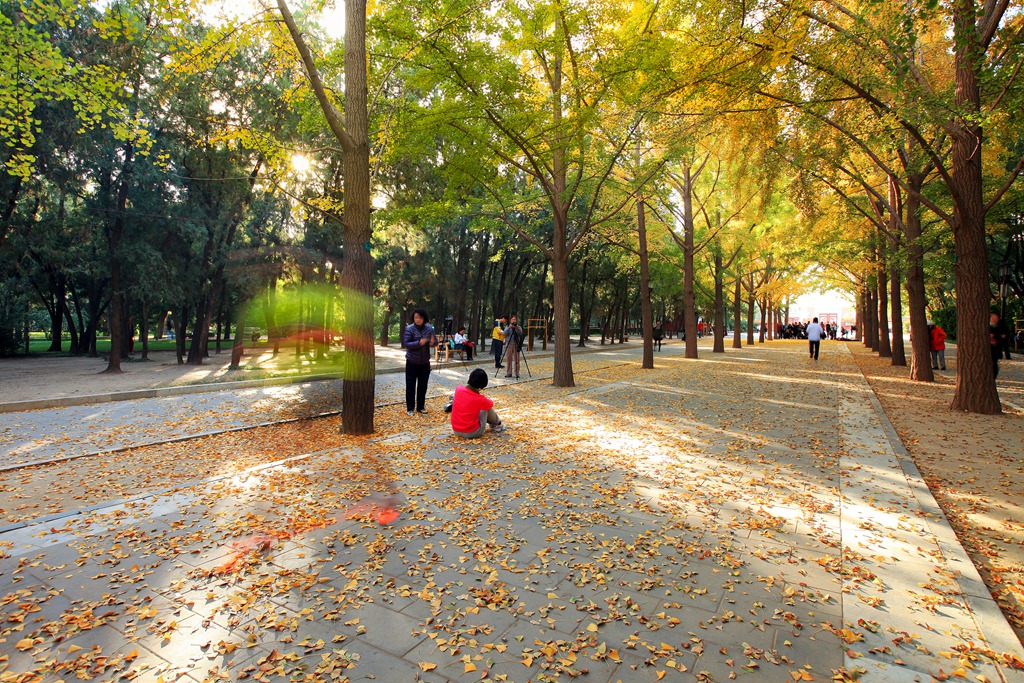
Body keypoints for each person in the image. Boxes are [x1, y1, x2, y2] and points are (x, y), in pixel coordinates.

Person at [451, 369, 505, 438]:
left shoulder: (458, 389)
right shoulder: (479, 399)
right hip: (472, 432)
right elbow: (490, 404)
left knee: (479, 406)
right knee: (485, 408)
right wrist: (482, 398)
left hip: (456, 430)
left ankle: (497, 424)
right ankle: (498, 424)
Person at [402, 308, 435, 415]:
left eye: (420, 318)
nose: (418, 320)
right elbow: (406, 343)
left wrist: (434, 342)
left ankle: (420, 407)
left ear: (424, 318)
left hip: (425, 362)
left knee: (423, 386)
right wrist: (419, 343)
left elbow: (434, 342)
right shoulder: (409, 329)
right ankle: (410, 408)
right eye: (416, 317)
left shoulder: (429, 328)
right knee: (410, 386)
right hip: (412, 361)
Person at [991, 312, 1011, 379]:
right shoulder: (986, 326)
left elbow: (1004, 335)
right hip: (988, 348)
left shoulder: (1002, 326)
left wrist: (996, 337)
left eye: (995, 318)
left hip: (996, 347)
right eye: (992, 317)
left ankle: (993, 377)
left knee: (994, 362)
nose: (994, 319)